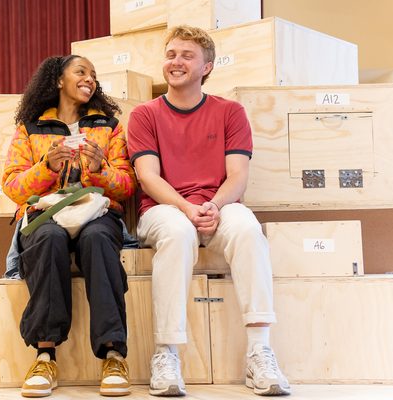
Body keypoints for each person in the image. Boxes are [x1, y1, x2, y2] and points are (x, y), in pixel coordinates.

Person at [126, 25, 291, 397]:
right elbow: (148, 177)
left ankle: (259, 351)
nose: (176, 62)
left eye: (187, 55)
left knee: (248, 229)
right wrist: (186, 207)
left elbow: (238, 177)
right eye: (171, 54)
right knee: (178, 231)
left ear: (207, 67)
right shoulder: (144, 115)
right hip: (164, 208)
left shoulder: (230, 112)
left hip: (219, 205)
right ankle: (166, 354)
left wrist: (213, 205)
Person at [2, 54, 137, 398]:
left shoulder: (109, 126)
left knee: (97, 239)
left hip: (97, 213)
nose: (89, 79)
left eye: (94, 75)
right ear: (58, 80)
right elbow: (13, 187)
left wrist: (99, 168)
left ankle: (113, 354)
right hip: (47, 215)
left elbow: (126, 186)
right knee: (47, 237)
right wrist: (46, 166)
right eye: (81, 72)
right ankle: (45, 354)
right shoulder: (30, 128)